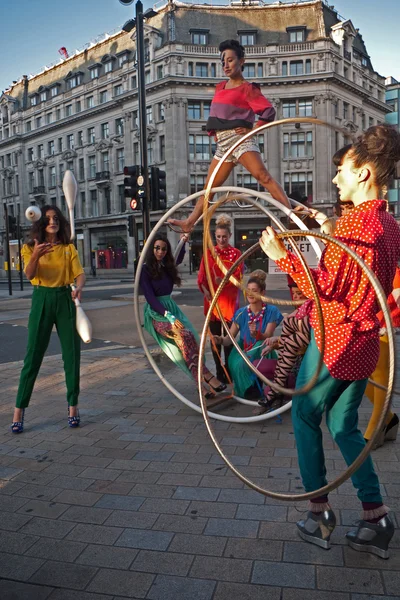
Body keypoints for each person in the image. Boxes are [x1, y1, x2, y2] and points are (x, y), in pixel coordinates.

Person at [260, 124, 400, 559]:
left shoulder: (358, 222)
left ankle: (319, 514)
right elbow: (358, 274)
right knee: (343, 426)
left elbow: (326, 290)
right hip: (365, 342)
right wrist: (327, 229)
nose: (336, 178)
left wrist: (284, 259)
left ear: (364, 174)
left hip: (336, 339)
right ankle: (376, 517)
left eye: (343, 170)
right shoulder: (389, 222)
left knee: (303, 414)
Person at [168, 39, 290, 233]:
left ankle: (289, 213)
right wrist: (215, 133)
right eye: (223, 61)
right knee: (208, 188)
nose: (226, 65)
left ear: (242, 61)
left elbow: (268, 111)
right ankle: (190, 222)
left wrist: (253, 129)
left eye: (230, 60)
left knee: (263, 176)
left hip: (239, 139)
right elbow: (216, 114)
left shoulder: (248, 89)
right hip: (223, 145)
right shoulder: (220, 87)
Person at [11, 205, 85, 433]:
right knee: (33, 355)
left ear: (61, 223)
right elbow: (30, 274)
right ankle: (19, 410)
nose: (52, 221)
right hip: (42, 298)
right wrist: (35, 254)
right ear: (41, 223)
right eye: (48, 218)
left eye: (56, 218)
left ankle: (73, 407)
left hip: (64, 298)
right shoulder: (29, 247)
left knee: (72, 354)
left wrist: (79, 288)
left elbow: (79, 274)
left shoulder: (68, 248)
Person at [140, 234, 226, 399]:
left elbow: (178, 257)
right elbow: (150, 298)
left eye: (164, 249)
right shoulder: (145, 269)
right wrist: (167, 315)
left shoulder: (166, 266)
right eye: (157, 248)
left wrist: (184, 241)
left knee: (191, 339)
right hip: (156, 313)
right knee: (184, 337)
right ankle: (205, 377)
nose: (160, 252)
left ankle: (201, 381)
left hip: (170, 309)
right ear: (152, 248)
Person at [213, 270, 283, 399]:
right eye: (248, 289)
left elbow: (267, 336)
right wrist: (220, 340)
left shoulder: (271, 311)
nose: (250, 293)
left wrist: (257, 334)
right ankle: (248, 389)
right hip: (244, 350)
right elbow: (229, 340)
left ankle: (256, 387)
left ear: (263, 293)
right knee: (237, 362)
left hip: (262, 349)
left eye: (254, 290)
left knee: (257, 349)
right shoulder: (241, 313)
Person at [197, 213, 243, 382]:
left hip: (230, 303)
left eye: (224, 237)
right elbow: (201, 277)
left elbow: (239, 276)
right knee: (215, 339)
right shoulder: (208, 253)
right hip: (213, 303)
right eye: (218, 237)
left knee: (229, 339)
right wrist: (206, 291)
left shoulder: (237, 253)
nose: (221, 240)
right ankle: (219, 370)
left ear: (230, 236)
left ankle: (229, 370)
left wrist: (224, 280)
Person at [257, 284, 312, 412]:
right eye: (294, 293)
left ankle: (276, 390)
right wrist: (275, 343)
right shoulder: (299, 311)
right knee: (289, 329)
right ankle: (277, 390)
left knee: (291, 329)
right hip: (292, 361)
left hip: (310, 356)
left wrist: (278, 341)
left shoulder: (313, 308)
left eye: (299, 293)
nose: (296, 296)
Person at [365, 266, 400, 448]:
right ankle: (388, 418)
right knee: (362, 374)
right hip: (362, 316)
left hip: (383, 318)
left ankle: (378, 425)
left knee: (379, 371)